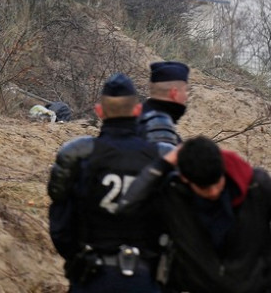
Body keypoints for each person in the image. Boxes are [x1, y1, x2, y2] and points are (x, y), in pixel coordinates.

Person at [47, 74, 170, 292]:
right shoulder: (162, 159)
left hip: (93, 276)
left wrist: (76, 258)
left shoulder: (80, 156)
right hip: (146, 278)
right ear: (138, 111)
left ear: (100, 111)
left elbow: (61, 222)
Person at [118, 136, 271, 293]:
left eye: (217, 183)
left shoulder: (256, 186)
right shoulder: (174, 195)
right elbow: (127, 206)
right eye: (204, 188)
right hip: (195, 287)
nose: (213, 192)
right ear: (185, 179)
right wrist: (164, 164)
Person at [138, 60, 188, 145]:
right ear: (174, 93)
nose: (186, 97)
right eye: (186, 90)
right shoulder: (162, 133)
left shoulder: (133, 116)